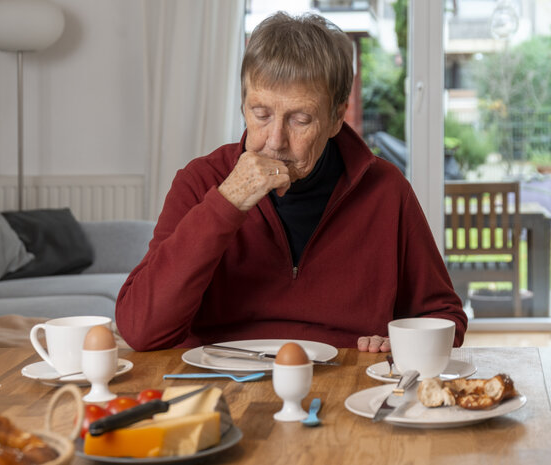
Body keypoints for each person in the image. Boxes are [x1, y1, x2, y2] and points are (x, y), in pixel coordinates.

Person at [116, 12, 467, 353]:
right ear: (243, 105)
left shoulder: (387, 191)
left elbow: (443, 315)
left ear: (335, 119)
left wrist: (400, 344)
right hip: (222, 382)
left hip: (344, 385)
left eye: (300, 119)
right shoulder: (200, 181)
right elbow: (140, 330)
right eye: (261, 114)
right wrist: (226, 203)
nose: (275, 140)